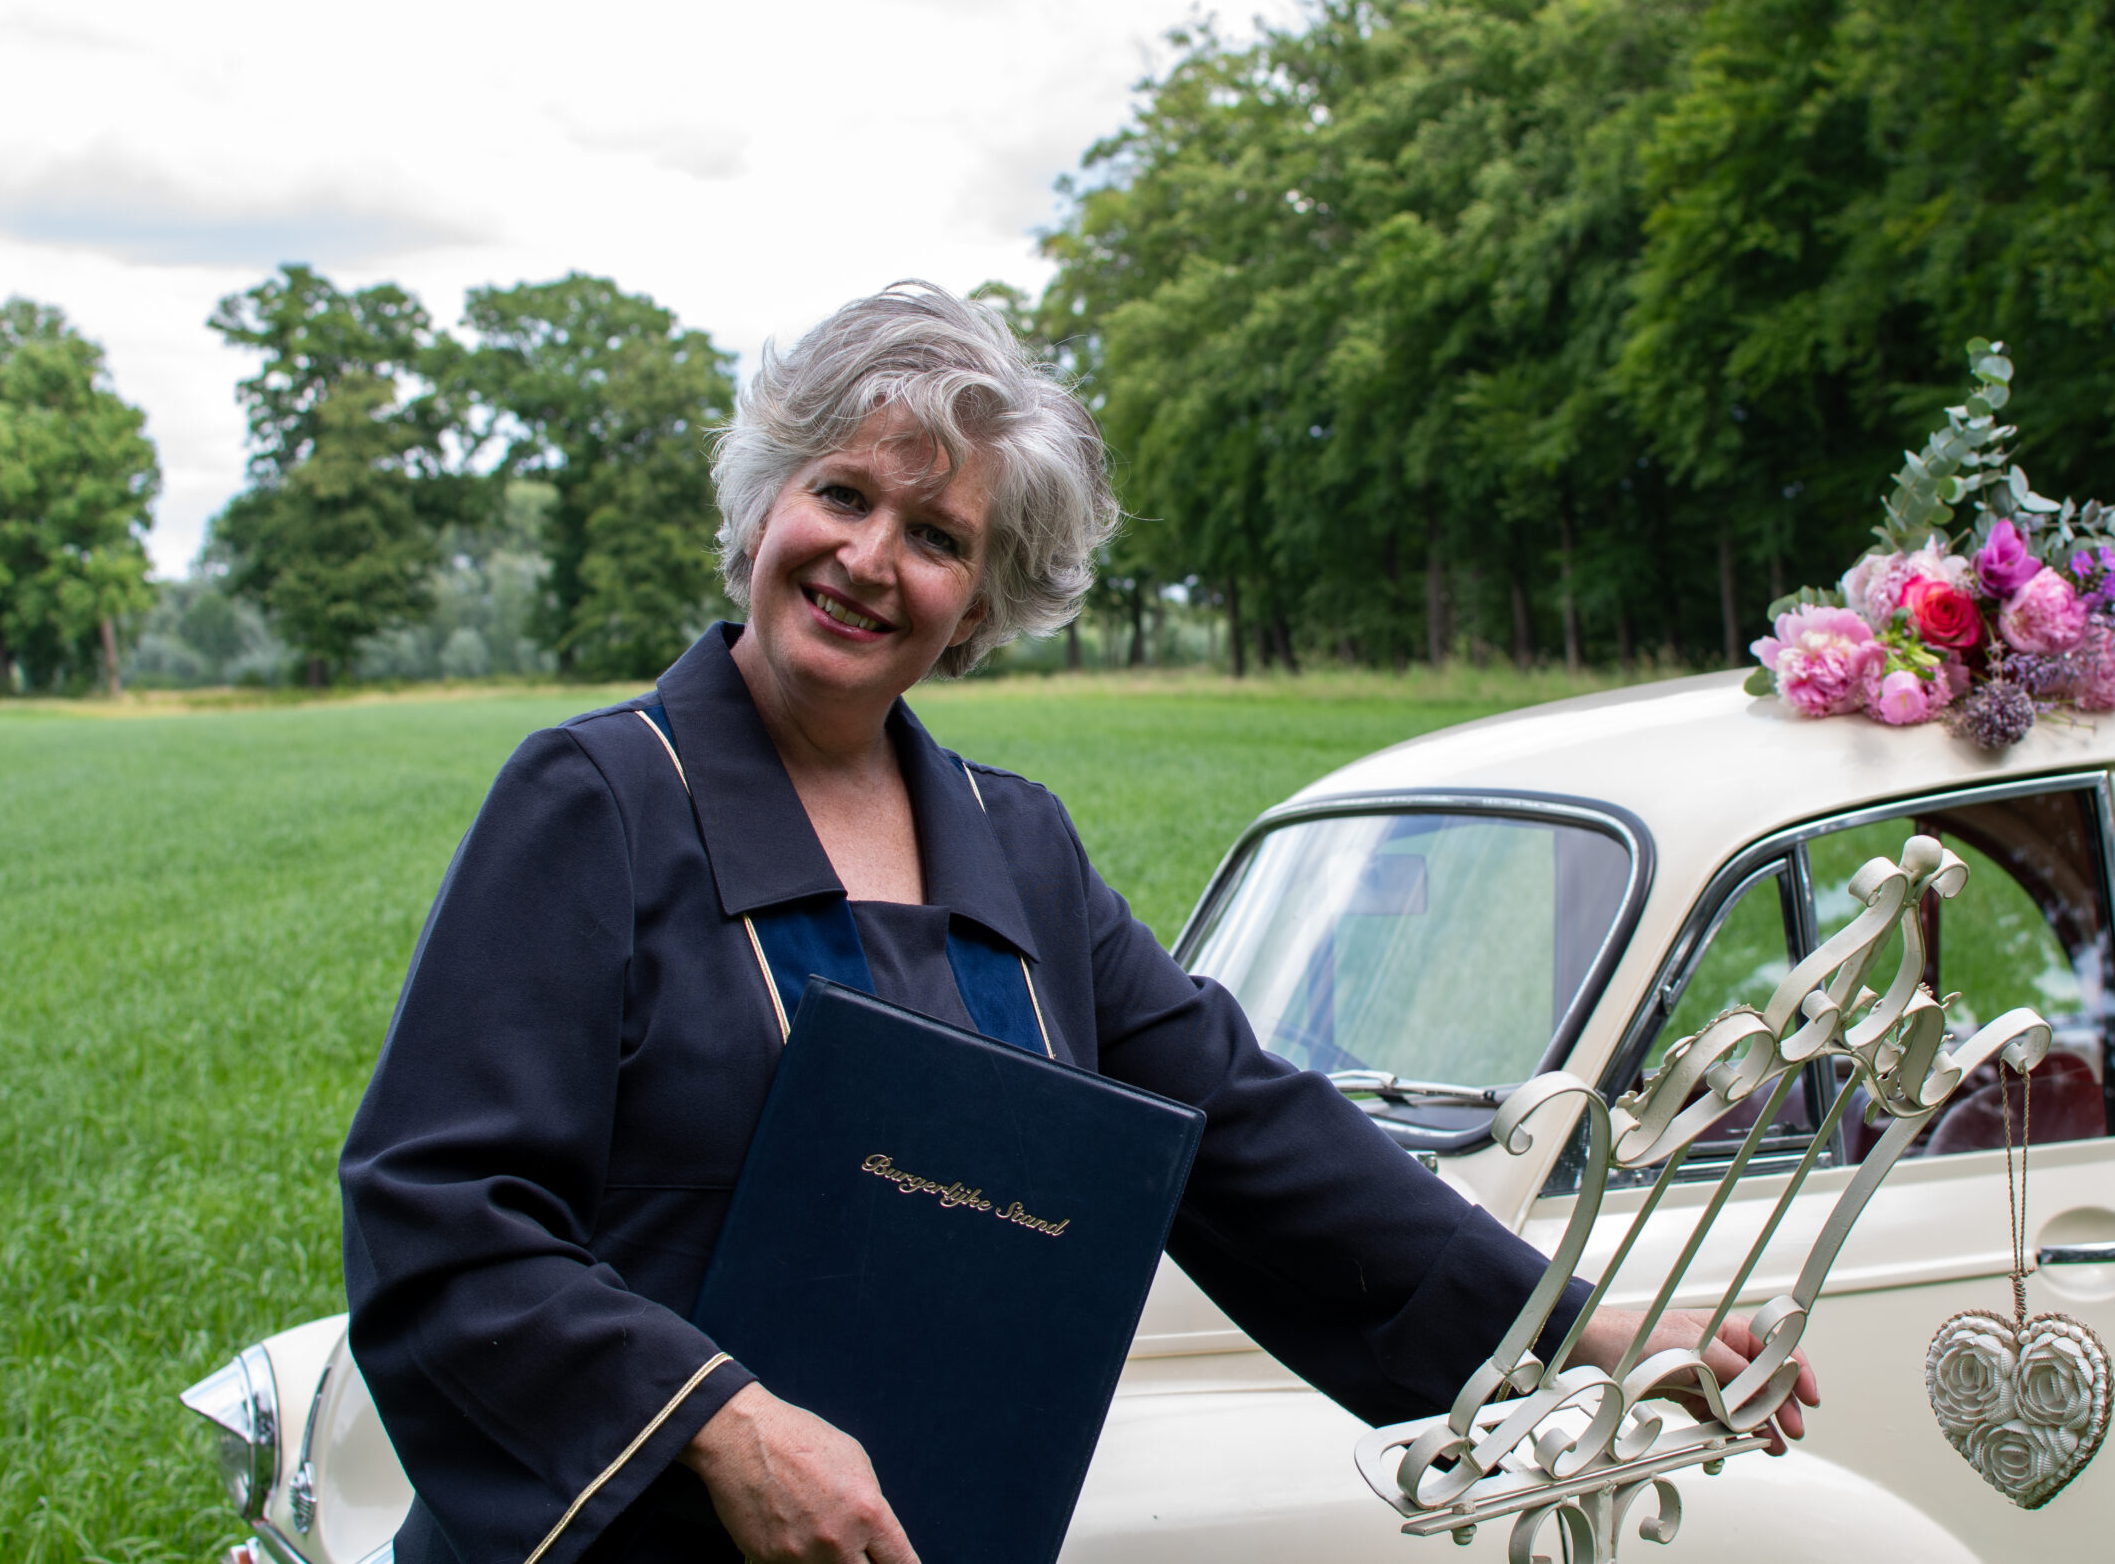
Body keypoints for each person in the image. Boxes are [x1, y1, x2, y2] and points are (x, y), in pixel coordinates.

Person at [339, 282, 1814, 1564]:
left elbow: (1249, 1136)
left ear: (978, 606)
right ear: (764, 507)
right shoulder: (598, 802)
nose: (870, 558)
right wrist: (724, 1427)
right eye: (842, 494)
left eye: (936, 534)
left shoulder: (1015, 845)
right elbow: (439, 1214)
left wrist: (1570, 1328)